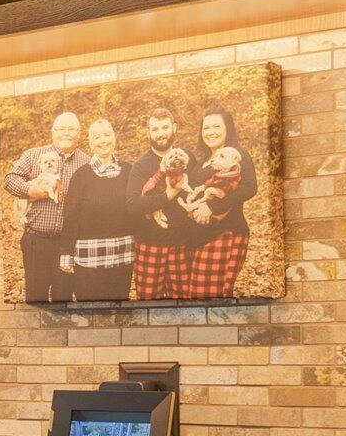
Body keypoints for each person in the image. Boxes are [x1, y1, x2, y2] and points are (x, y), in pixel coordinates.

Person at [146, 103, 259, 301]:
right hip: (198, 240)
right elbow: (185, 192)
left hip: (224, 234)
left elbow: (249, 187)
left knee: (208, 302)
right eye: (206, 128)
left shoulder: (235, 155)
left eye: (216, 127)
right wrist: (155, 206)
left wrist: (212, 206)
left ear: (227, 129)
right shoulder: (204, 161)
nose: (210, 132)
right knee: (198, 301)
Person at [2, 110, 84, 302]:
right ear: (52, 132)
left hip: (68, 244)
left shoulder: (86, 162)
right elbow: (10, 180)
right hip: (36, 241)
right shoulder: (33, 155)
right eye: (61, 128)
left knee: (63, 299)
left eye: (71, 129)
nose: (66, 133)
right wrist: (32, 192)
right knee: (36, 298)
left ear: (79, 133)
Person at [57, 118, 137, 304]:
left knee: (119, 310)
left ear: (114, 138)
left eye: (107, 135)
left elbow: (136, 211)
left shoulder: (128, 171)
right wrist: (66, 254)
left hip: (122, 256)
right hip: (90, 259)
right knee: (91, 312)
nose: (103, 141)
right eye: (97, 137)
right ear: (91, 143)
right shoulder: (81, 175)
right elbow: (70, 217)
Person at [124, 102, 197, 302]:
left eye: (165, 127)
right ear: (148, 133)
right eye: (155, 129)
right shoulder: (140, 166)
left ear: (174, 128)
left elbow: (199, 191)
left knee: (184, 304)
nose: (160, 133)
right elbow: (133, 205)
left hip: (182, 244)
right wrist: (169, 195)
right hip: (149, 245)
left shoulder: (187, 157)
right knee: (148, 305)